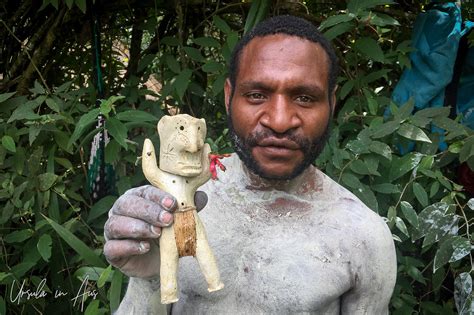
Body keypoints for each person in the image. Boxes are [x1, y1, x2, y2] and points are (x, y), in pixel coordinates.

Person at [104, 15, 397, 314]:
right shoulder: (172, 207)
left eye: (305, 98)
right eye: (257, 95)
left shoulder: (364, 239)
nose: (280, 121)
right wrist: (149, 278)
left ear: (331, 105)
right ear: (230, 96)